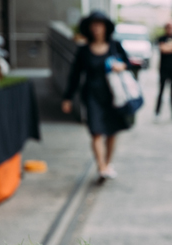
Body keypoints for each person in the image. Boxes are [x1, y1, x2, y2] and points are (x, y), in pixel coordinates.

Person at [62, 11, 132, 180]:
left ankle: (108, 163)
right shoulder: (84, 50)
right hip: (92, 95)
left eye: (100, 24)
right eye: (94, 24)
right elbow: (75, 75)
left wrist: (121, 66)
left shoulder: (115, 45)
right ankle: (101, 166)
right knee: (96, 131)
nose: (97, 28)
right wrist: (68, 97)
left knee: (111, 131)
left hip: (113, 95)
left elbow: (128, 63)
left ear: (106, 27)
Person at [155, 20, 172, 120]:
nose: (169, 29)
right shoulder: (161, 38)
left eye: (171, 27)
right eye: (168, 27)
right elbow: (163, 49)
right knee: (161, 91)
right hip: (164, 69)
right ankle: (157, 112)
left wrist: (169, 47)